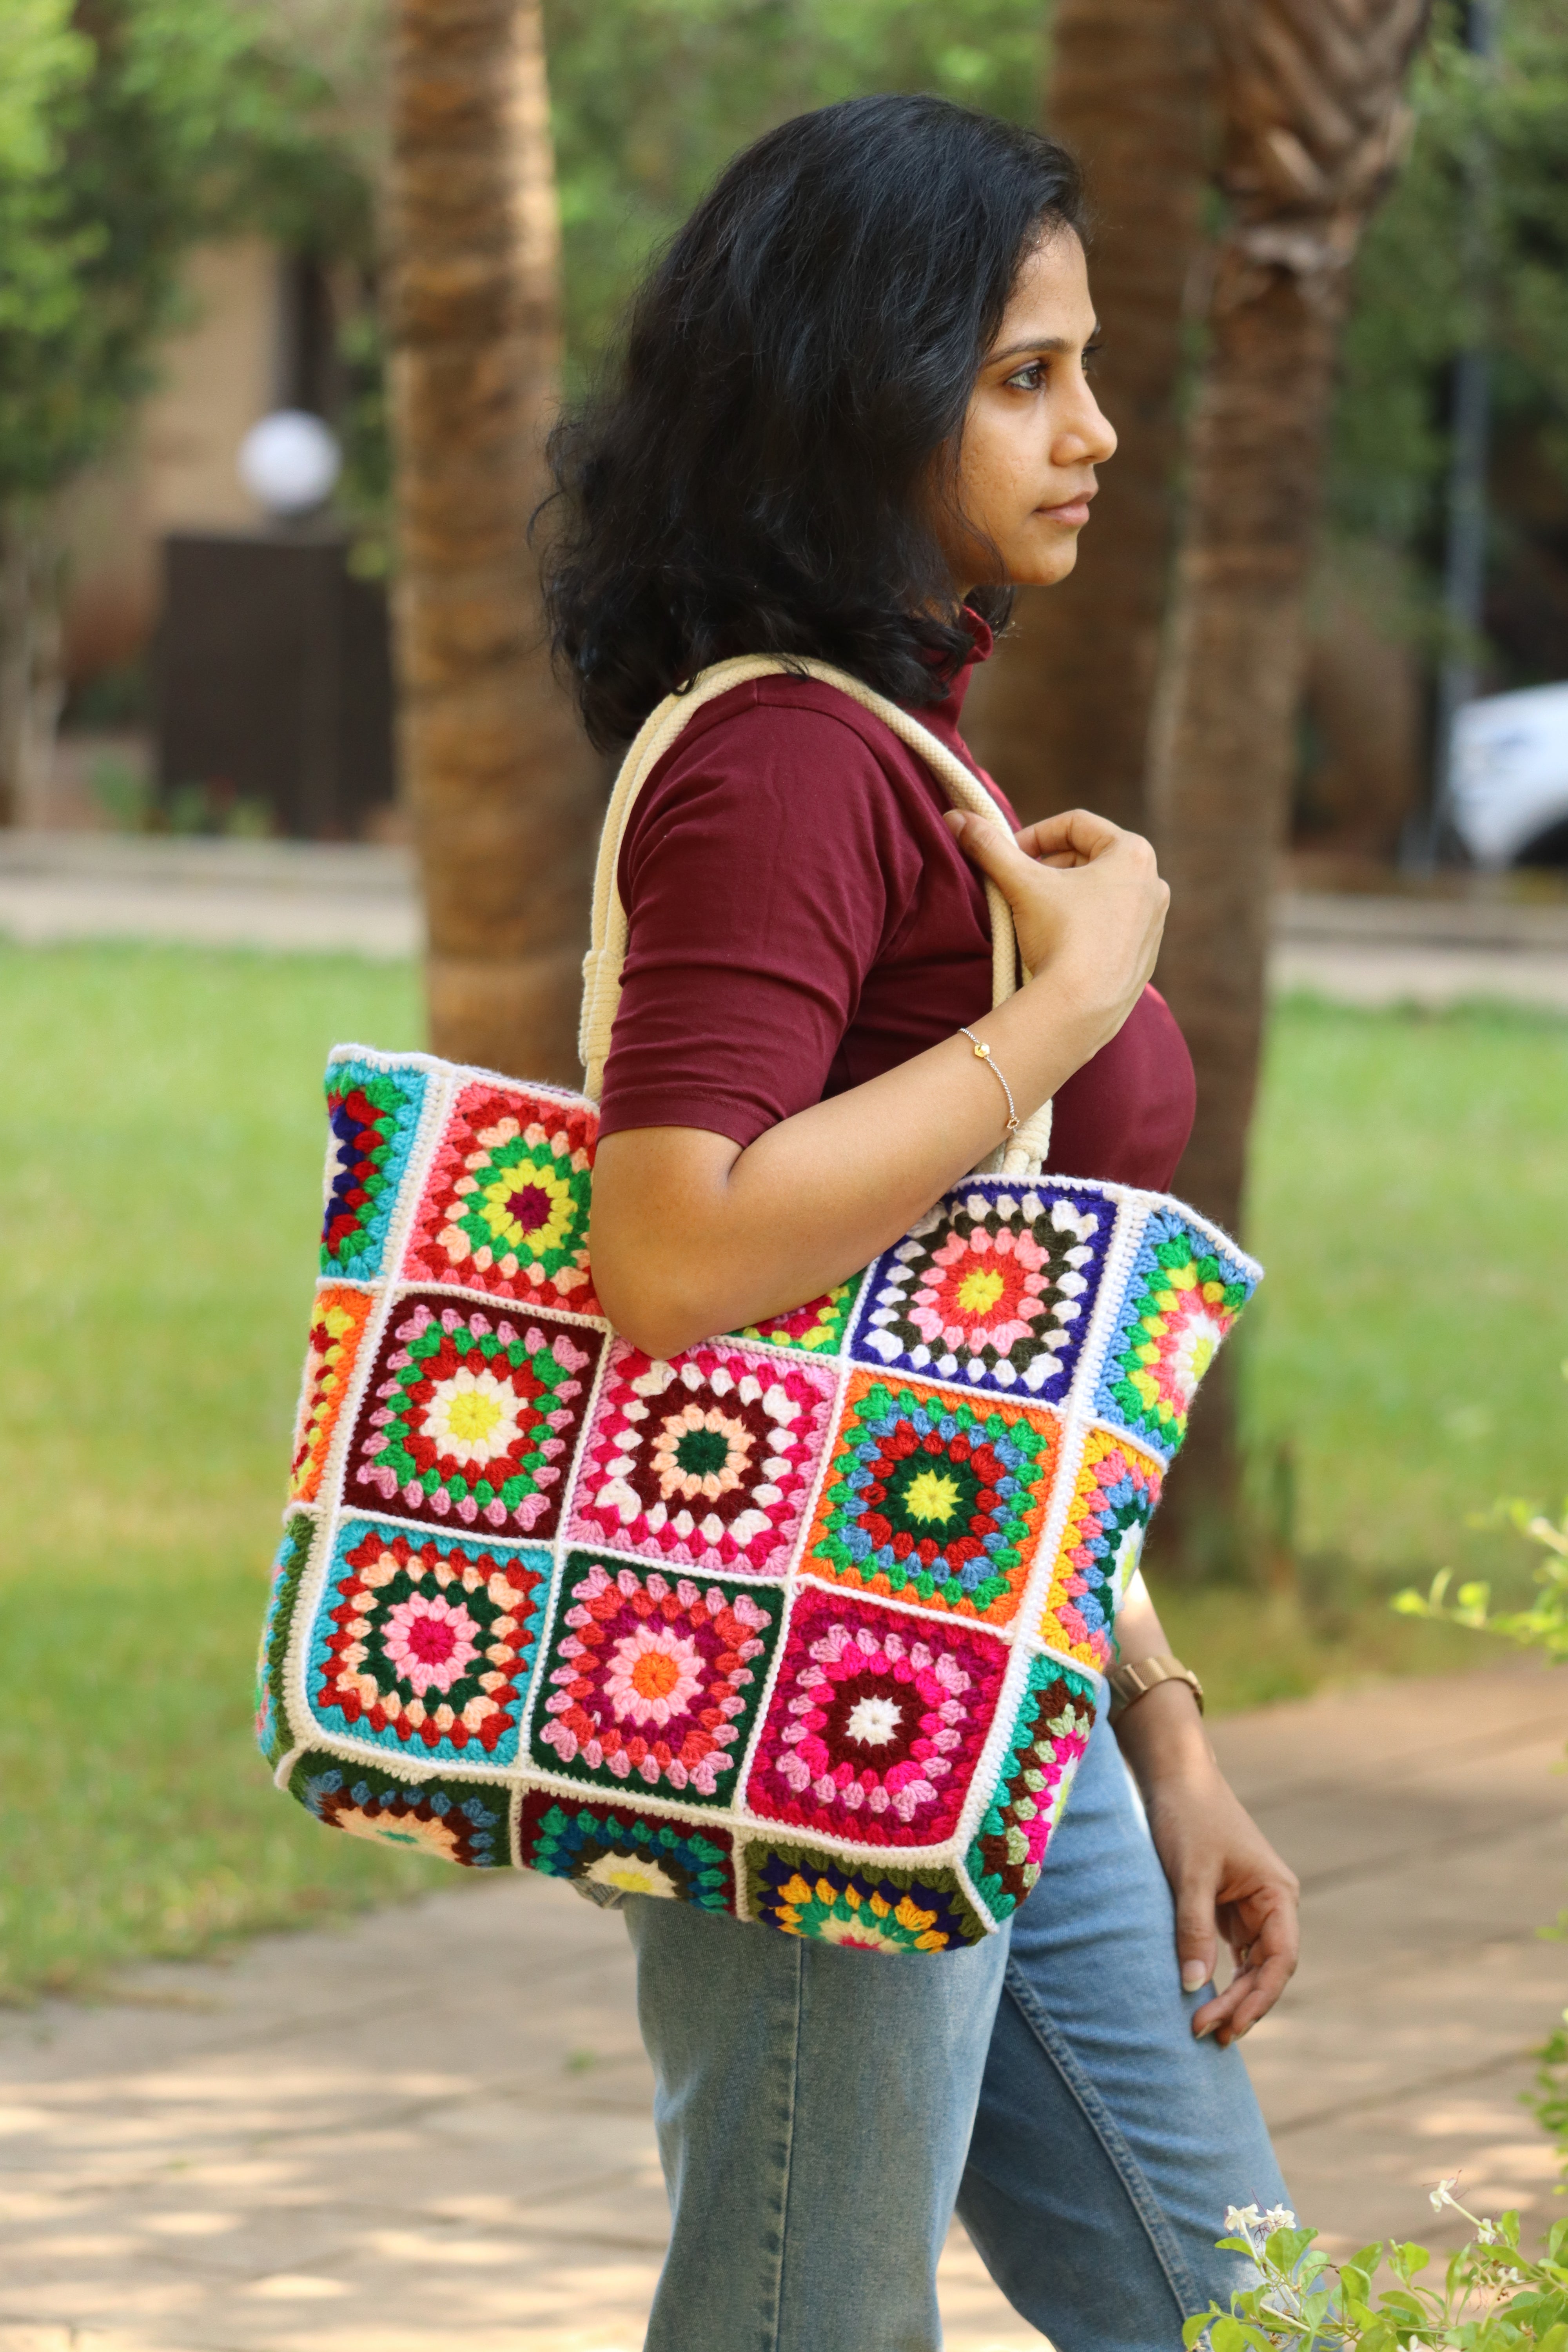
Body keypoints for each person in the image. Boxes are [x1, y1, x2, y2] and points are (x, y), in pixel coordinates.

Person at [542, 92, 1300, 2352]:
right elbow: (675, 1248)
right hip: (815, 1674)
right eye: (1022, 377)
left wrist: (1156, 1719)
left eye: (1080, 365)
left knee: (1239, 2315)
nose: (1099, 426)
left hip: (997, 1664)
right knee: (807, 2320)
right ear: (857, 398)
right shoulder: (783, 769)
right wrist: (1075, 1004)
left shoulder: (898, 752)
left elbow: (992, 1324)